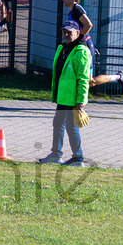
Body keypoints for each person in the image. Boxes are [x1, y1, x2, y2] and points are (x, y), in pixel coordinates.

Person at [38, 21, 90, 166]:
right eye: (64, 32)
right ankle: (56, 155)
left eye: (69, 32)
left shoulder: (81, 52)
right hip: (63, 97)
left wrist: (81, 101)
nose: (66, 35)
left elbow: (83, 78)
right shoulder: (62, 48)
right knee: (58, 124)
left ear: (78, 33)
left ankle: (78, 158)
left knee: (71, 127)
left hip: (72, 99)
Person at [62, 0, 123, 91]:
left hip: (85, 45)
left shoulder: (77, 9)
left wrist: (79, 38)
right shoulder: (72, 11)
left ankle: (118, 77)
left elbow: (89, 25)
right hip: (79, 45)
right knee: (78, 78)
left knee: (90, 82)